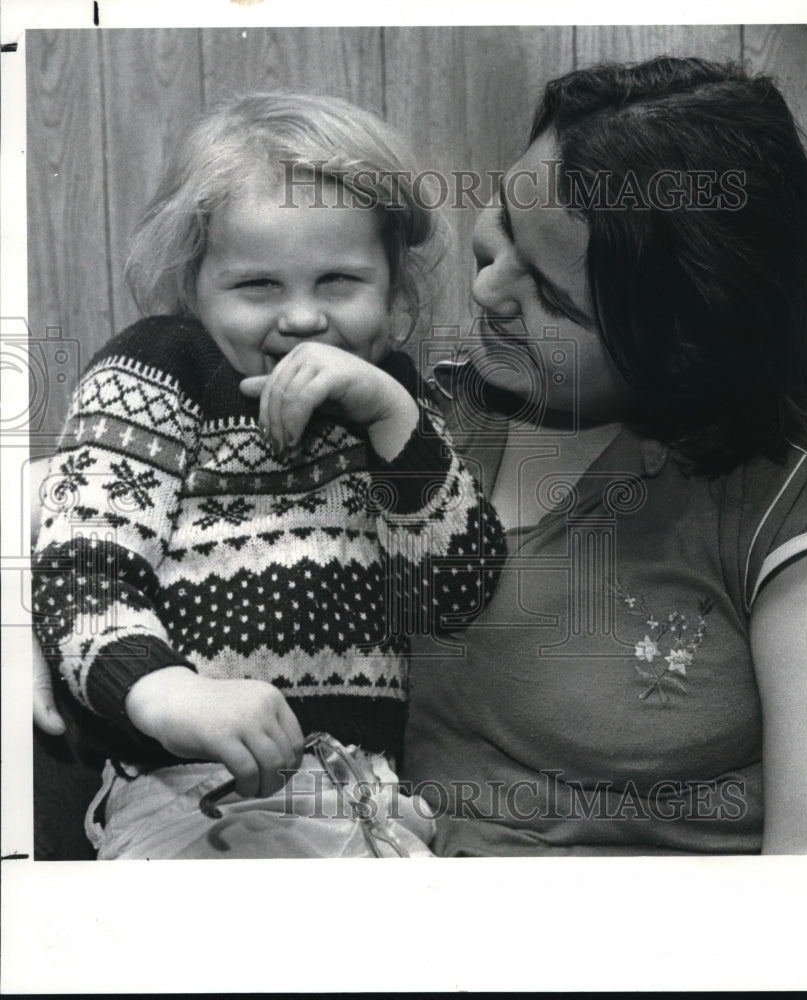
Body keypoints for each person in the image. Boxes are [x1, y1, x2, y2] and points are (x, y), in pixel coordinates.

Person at [30, 92, 505, 859]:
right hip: (189, 785)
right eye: (257, 286)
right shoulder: (156, 370)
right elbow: (84, 570)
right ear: (193, 284)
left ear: (392, 293)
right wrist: (167, 693)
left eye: (340, 282)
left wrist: (390, 418)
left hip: (365, 795)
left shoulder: (397, 402)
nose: (302, 319)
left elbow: (456, 590)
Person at [402, 56, 807, 855]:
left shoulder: (791, 507)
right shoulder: (431, 422)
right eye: (504, 220)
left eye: (552, 298)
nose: (490, 290)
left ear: (679, 346)